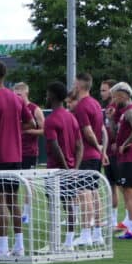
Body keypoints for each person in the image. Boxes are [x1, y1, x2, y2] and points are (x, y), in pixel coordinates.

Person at [0, 61, 34, 258]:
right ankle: (18, 246)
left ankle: (2, 247)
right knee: (13, 201)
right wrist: (12, 129)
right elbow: (30, 123)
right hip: (16, 157)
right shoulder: (17, 99)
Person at [43, 81, 83, 250]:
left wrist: (66, 169)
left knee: (53, 204)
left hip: (56, 170)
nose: (46, 96)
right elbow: (80, 145)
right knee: (69, 204)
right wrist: (75, 168)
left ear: (52, 95)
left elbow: (54, 146)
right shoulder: (71, 116)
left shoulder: (51, 120)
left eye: (47, 93)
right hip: (70, 168)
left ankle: (54, 243)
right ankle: (68, 242)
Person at [71, 72, 108, 245]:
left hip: (86, 155)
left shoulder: (82, 106)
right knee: (94, 193)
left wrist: (97, 147)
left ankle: (86, 234)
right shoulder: (95, 103)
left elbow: (88, 131)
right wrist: (101, 150)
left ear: (78, 86)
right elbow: (101, 131)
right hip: (94, 155)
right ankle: (98, 234)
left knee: (84, 193)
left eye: (74, 84)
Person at [109, 82, 132, 240]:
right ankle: (131, 226)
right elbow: (117, 132)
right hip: (125, 157)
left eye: (115, 97)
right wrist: (110, 119)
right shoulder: (123, 112)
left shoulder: (131, 112)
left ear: (123, 95)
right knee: (128, 192)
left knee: (130, 193)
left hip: (131, 157)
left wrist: (125, 144)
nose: (113, 100)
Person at [14, 81, 45, 225]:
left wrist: (28, 131)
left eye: (19, 94)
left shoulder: (34, 109)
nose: (17, 96)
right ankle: (15, 213)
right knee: (13, 182)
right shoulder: (14, 107)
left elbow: (44, 130)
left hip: (29, 152)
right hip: (14, 151)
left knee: (28, 183)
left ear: (26, 93)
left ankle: (27, 213)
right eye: (15, 94)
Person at [100, 78, 124, 230]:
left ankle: (130, 219)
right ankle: (113, 219)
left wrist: (118, 141)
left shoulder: (117, 107)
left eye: (104, 90)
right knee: (111, 185)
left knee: (124, 187)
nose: (101, 93)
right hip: (108, 151)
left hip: (117, 153)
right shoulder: (108, 106)